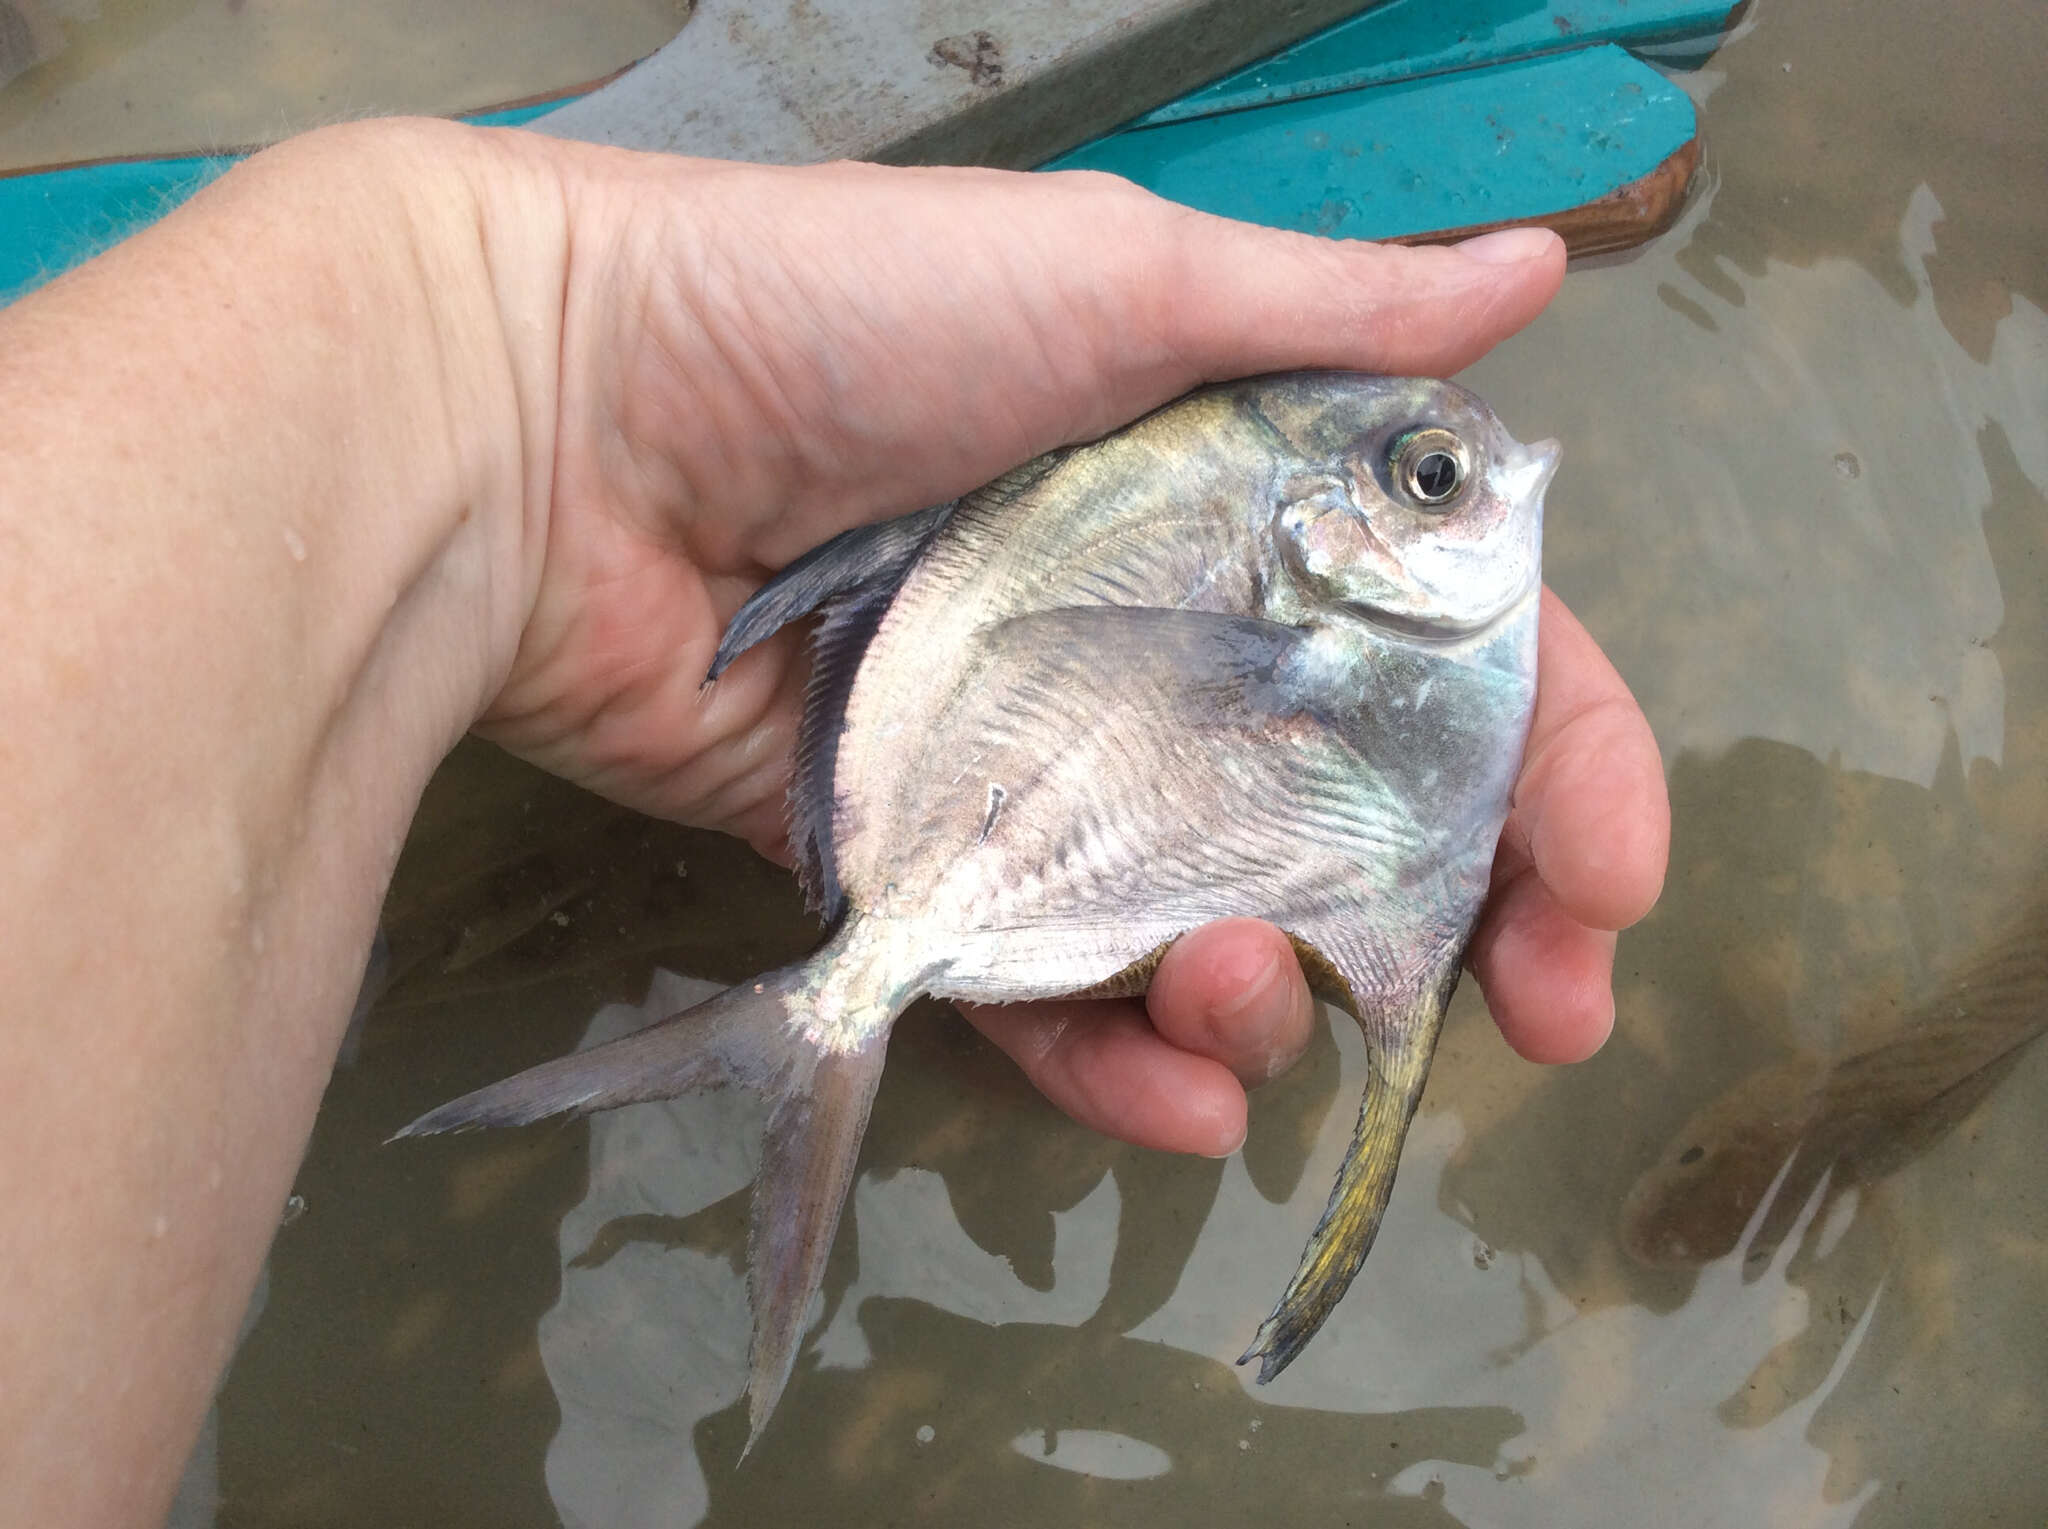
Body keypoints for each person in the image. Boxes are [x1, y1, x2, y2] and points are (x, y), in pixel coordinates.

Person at [0, 119, 1669, 1526]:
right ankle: (839, 1016)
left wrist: (521, 374)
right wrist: (511, 378)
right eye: (1433, 478)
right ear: (1328, 531)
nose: (1490, 482)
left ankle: (836, 1015)